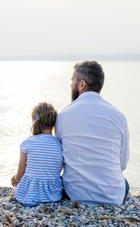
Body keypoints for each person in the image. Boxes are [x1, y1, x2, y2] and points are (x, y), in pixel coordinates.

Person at [55, 60, 130, 205]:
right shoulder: (119, 116)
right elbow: (122, 163)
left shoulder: (63, 116)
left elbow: (60, 162)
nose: (71, 85)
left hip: (74, 194)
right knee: (125, 184)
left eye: (72, 81)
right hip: (113, 196)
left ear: (82, 84)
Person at [11, 102, 63, 206]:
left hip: (29, 194)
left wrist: (15, 179)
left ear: (35, 122)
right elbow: (58, 169)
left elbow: (20, 174)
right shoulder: (60, 144)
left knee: (16, 179)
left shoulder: (27, 143)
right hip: (53, 195)